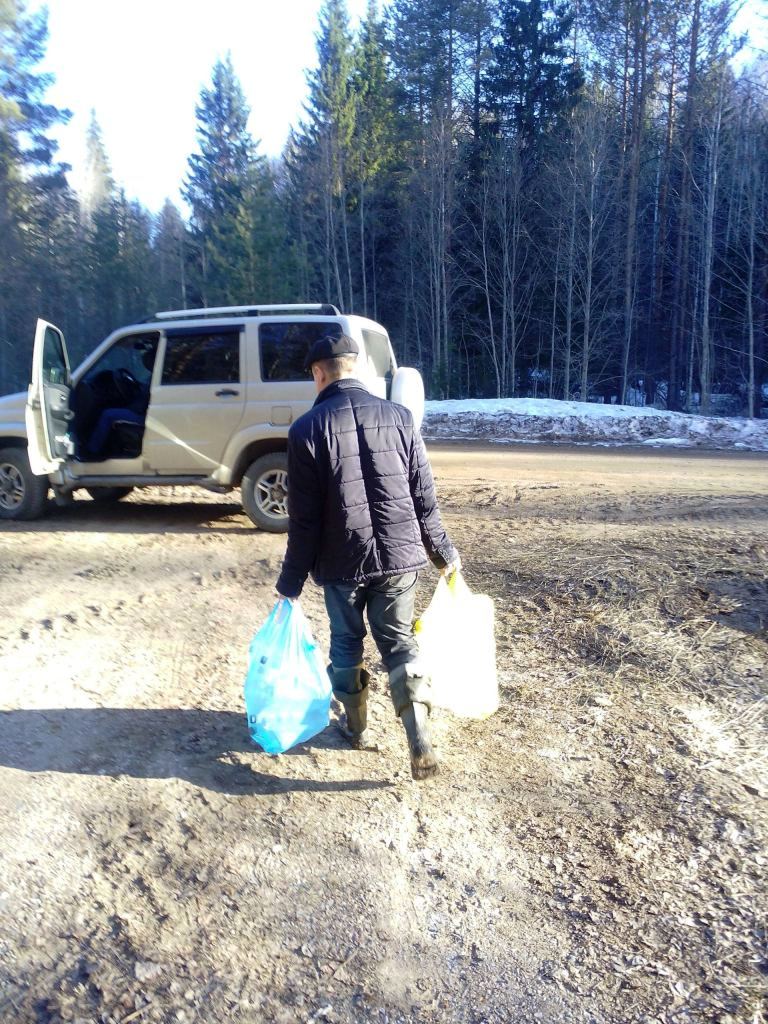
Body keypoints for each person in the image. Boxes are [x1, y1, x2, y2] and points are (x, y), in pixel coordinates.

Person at [275, 332, 459, 780]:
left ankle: (355, 727)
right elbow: (424, 497)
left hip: (341, 563)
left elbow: (304, 522)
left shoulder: (305, 430)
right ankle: (418, 734)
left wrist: (290, 583)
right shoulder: (400, 417)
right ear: (355, 367)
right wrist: (443, 553)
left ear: (318, 374)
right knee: (399, 642)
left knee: (346, 642)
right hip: (399, 558)